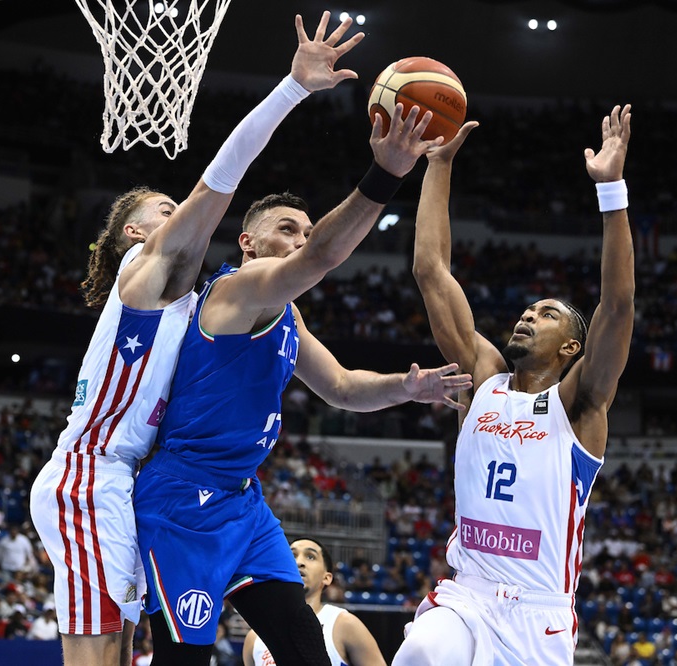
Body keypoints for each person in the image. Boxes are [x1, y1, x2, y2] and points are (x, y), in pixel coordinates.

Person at [29, 12, 367, 666]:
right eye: (162, 210)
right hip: (89, 474)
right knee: (99, 656)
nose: (177, 212)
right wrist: (292, 90)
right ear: (136, 236)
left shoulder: (196, 305)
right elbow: (222, 175)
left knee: (125, 652)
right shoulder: (147, 275)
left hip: (133, 483)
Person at [133, 100, 473, 664]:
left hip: (243, 501)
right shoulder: (239, 289)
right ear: (247, 244)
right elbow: (322, 256)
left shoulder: (286, 314)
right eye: (286, 230)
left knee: (302, 646)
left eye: (304, 230)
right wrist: (386, 172)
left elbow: (340, 386)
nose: (299, 238)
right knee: (184, 660)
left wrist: (406, 389)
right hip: (182, 500)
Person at [393, 104, 634, 666]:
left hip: (538, 615)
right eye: (528, 310)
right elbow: (431, 270)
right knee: (421, 650)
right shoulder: (483, 383)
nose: (528, 315)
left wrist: (612, 192)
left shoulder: (580, 406)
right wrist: (439, 165)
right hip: (467, 595)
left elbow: (618, 307)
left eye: (547, 314)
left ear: (572, 347)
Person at [243, 538, 385, 666]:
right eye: (292, 556)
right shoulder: (254, 637)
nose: (299, 562)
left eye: (310, 557)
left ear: (327, 578)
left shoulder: (344, 624)